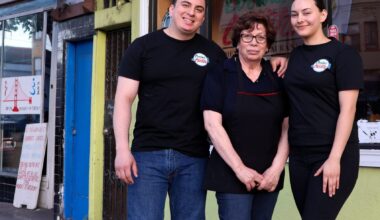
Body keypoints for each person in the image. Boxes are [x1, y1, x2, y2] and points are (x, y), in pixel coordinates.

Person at [113, 0, 287, 219]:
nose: (191, 13)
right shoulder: (143, 47)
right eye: (185, 5)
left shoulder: (213, 54)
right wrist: (121, 149)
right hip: (148, 154)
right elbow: (123, 99)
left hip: (194, 157)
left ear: (204, 17)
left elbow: (243, 67)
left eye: (199, 9)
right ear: (172, 9)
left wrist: (274, 61)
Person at [201, 12, 289, 220]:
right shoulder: (220, 73)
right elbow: (212, 125)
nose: (253, 42)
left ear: (268, 46)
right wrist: (240, 169)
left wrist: (276, 169)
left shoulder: (277, 76)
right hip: (231, 173)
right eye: (247, 36)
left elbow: (288, 126)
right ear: (238, 42)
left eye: (261, 38)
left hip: (270, 175)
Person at [283, 0, 364, 219]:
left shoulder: (344, 55)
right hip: (299, 156)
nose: (300, 19)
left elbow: (348, 110)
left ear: (323, 15)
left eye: (307, 12)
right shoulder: (295, 57)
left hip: (333, 154)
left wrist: (334, 158)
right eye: (294, 14)